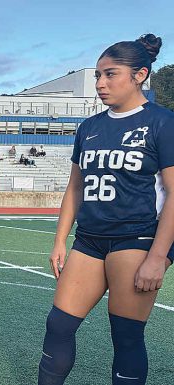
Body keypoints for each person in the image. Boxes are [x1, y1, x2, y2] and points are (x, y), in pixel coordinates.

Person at [39, 34, 174, 385]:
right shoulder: (90, 127)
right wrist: (59, 239)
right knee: (59, 325)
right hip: (89, 240)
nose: (100, 83)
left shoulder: (162, 122)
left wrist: (158, 256)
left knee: (126, 337)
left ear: (140, 74)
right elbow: (75, 187)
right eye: (98, 75)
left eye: (110, 74)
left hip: (137, 238)